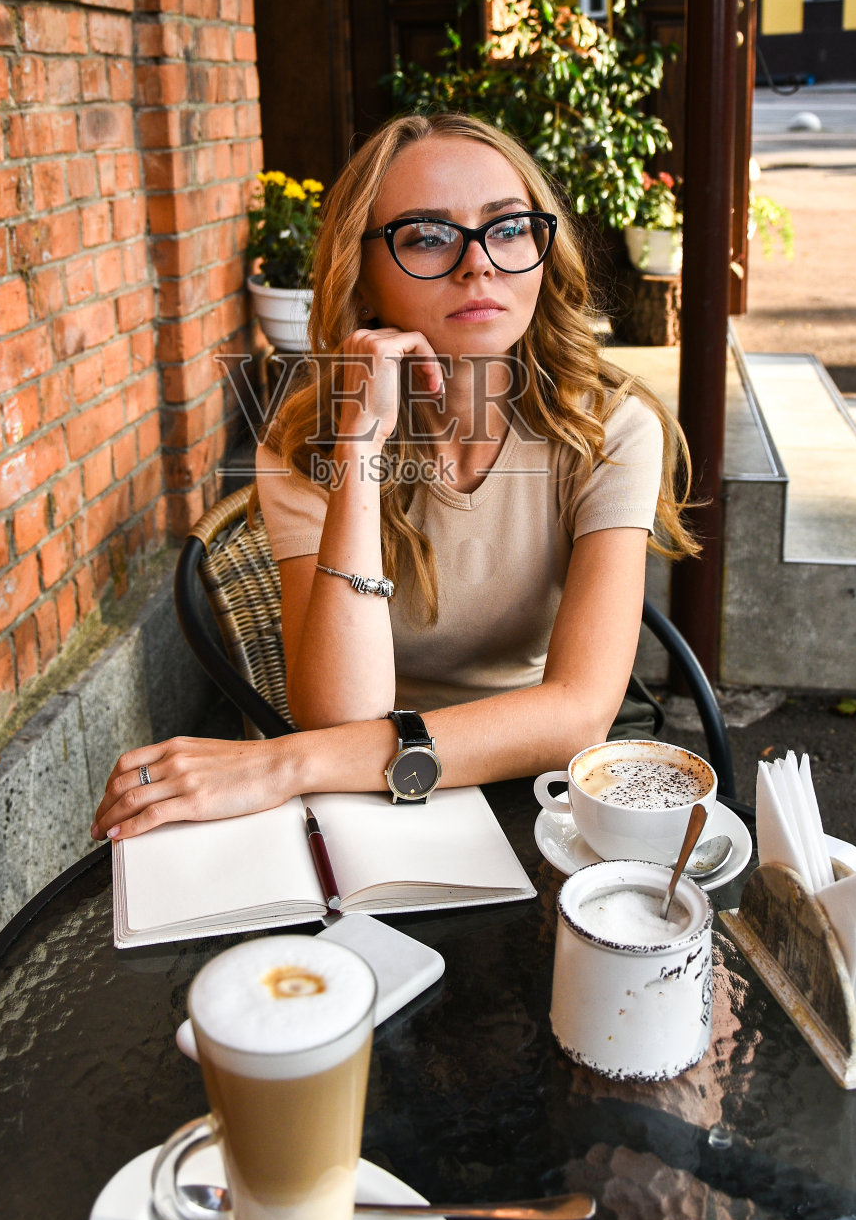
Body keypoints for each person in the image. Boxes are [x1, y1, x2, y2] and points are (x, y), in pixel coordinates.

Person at [93, 113, 698, 842]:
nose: (478, 264)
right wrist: (359, 454)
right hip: (361, 786)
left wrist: (287, 765)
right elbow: (343, 713)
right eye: (426, 237)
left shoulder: (607, 427)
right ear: (364, 272)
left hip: (534, 780)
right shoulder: (303, 446)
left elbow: (576, 712)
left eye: (507, 229)